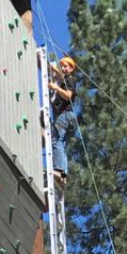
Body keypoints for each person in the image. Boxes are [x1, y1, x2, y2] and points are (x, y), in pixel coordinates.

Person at [48, 56, 78, 186]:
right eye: (62, 66)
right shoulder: (66, 79)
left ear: (71, 68)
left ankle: (59, 170)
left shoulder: (70, 79)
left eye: (66, 66)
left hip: (64, 115)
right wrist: (54, 68)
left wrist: (55, 87)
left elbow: (68, 96)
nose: (63, 69)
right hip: (69, 118)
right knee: (62, 145)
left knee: (56, 140)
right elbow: (60, 74)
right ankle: (63, 175)